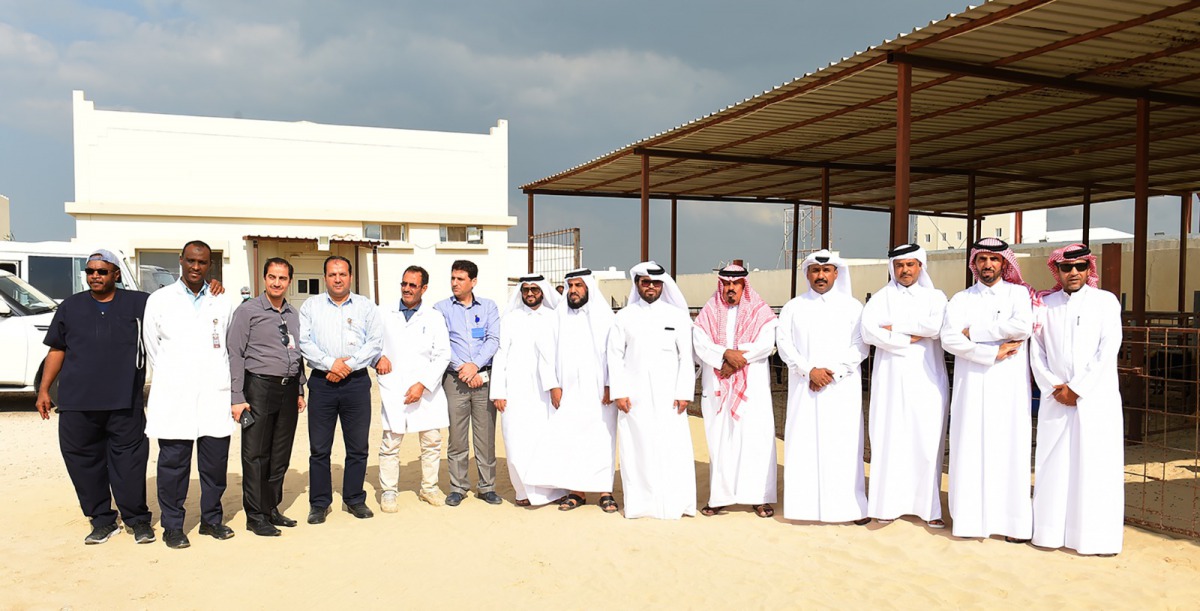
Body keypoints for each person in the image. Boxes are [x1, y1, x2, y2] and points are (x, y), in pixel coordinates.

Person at [35, 249, 156, 545]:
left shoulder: (139, 302)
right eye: (90, 271)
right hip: (78, 403)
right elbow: (57, 349)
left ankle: (137, 520)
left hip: (124, 401)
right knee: (83, 463)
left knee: (129, 464)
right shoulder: (71, 307)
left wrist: (212, 287)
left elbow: (177, 303)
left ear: (116, 274)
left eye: (102, 271)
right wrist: (44, 390)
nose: (95, 276)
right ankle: (102, 520)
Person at [142, 240, 239, 548]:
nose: (196, 267)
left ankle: (212, 520)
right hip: (175, 395)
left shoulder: (222, 300)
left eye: (203, 262)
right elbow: (152, 347)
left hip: (213, 393)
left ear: (209, 265)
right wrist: (177, 375)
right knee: (173, 465)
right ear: (180, 260)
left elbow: (227, 344)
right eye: (191, 261)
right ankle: (173, 526)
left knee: (214, 465)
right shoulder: (159, 300)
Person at [1029, 244, 1124, 556]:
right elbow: (1036, 351)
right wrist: (1055, 386)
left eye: (1080, 267)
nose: (1073, 273)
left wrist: (1078, 388)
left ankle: (1096, 539)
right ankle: (1050, 534)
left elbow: (1108, 348)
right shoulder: (1044, 304)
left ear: (1088, 270)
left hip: (1096, 400)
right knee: (1053, 465)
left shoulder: (1105, 302)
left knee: (1095, 466)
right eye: (1067, 268)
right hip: (1055, 398)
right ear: (1056, 271)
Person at [941, 237, 1034, 542]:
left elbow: (1022, 326)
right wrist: (991, 352)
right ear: (975, 264)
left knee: (1009, 448)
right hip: (973, 385)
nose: (988, 265)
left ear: (1004, 263)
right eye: (982, 260)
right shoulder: (960, 299)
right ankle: (969, 521)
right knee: (970, 447)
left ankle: (1012, 524)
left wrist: (976, 333)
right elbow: (950, 339)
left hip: (1008, 387)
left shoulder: (1018, 294)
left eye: (994, 260)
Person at [860, 243, 950, 528]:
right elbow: (868, 331)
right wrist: (909, 336)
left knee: (926, 441)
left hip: (928, 381)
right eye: (899, 266)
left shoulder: (936, 297)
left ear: (920, 266)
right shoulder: (880, 298)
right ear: (893, 268)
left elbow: (935, 327)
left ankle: (929, 509)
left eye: (910, 265)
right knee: (890, 439)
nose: (905, 270)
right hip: (890, 382)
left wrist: (893, 328)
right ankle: (887, 506)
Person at [777, 250, 869, 525]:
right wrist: (809, 372)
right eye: (815, 271)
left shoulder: (853, 307)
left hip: (842, 389)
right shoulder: (793, 307)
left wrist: (833, 374)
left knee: (843, 445)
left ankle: (848, 508)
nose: (820, 276)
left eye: (826, 271)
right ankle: (803, 508)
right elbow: (784, 344)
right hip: (805, 387)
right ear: (807, 274)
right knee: (804, 445)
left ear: (836, 274)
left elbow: (860, 346)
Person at [524, 268, 618, 513]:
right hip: (569, 392)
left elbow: (614, 353)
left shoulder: (604, 317)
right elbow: (545, 353)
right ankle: (576, 491)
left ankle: (605, 491)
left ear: (588, 288)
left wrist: (611, 383)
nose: (574, 291)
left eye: (579, 286)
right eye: (570, 286)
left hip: (600, 392)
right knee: (572, 438)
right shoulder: (558, 317)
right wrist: (553, 385)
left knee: (601, 439)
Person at [607, 261, 696, 519]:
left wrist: (684, 393)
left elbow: (685, 358)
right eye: (645, 282)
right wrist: (619, 392)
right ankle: (641, 505)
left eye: (656, 282)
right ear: (637, 284)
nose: (650, 286)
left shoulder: (677, 316)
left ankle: (677, 504)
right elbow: (614, 356)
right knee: (638, 449)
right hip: (634, 397)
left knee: (673, 448)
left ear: (662, 285)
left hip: (670, 397)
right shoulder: (624, 316)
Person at [299, 255, 383, 523]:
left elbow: (375, 342)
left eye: (343, 274)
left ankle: (354, 498)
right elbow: (304, 342)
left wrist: (348, 366)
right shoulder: (310, 306)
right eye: (332, 274)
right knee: (319, 448)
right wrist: (330, 364)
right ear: (325, 277)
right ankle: (320, 503)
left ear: (350, 277)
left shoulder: (365, 307)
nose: (338, 279)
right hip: (322, 383)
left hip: (356, 384)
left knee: (357, 447)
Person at [692, 263, 779, 518]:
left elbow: (766, 344)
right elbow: (700, 342)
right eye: (726, 284)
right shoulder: (709, 311)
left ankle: (759, 498)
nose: (730, 289)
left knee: (755, 439)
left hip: (752, 388)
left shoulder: (761, 312)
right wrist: (724, 357)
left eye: (735, 284)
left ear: (744, 285)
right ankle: (720, 497)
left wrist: (734, 360)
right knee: (720, 441)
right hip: (718, 386)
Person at [229, 257, 307, 536]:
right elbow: (235, 354)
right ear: (264, 279)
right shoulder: (248, 311)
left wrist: (299, 388)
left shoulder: (293, 314)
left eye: (282, 278)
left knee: (280, 454)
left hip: (287, 390)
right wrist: (237, 396)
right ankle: (255, 515)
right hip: (258, 388)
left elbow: (296, 354)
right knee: (255, 454)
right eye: (272, 277)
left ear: (289, 281)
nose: (277, 283)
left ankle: (271, 507)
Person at [375, 266, 451, 511]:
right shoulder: (384, 313)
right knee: (390, 442)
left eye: (413, 285)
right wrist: (378, 358)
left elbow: (442, 355)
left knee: (431, 442)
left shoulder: (434, 317)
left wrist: (423, 385)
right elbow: (371, 342)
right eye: (404, 284)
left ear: (424, 288)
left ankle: (429, 488)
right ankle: (388, 491)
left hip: (425, 390)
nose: (407, 289)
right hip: (393, 386)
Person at [490, 275, 567, 507]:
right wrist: (498, 391)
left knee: (546, 439)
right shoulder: (510, 319)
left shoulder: (555, 318)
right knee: (516, 439)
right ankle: (523, 491)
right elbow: (500, 354)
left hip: (546, 392)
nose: (530, 294)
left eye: (534, 289)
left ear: (543, 291)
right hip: (515, 389)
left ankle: (552, 491)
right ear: (520, 293)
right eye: (526, 290)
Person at [434, 260, 502, 507]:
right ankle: (458, 487)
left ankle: (487, 487)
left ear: (473, 281)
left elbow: (493, 339)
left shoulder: (488, 307)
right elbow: (440, 343)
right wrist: (463, 367)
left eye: (460, 279)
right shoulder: (440, 308)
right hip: (455, 379)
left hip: (483, 379)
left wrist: (475, 366)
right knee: (457, 436)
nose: (455, 283)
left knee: (485, 436)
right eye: (453, 278)